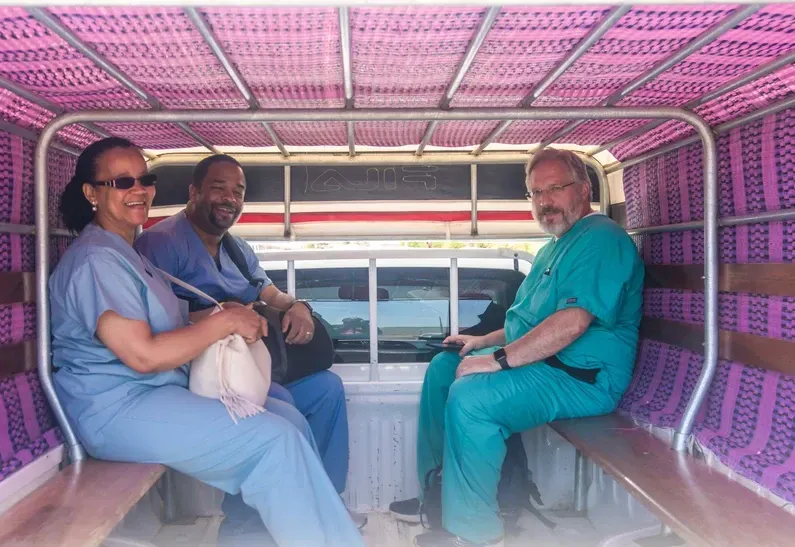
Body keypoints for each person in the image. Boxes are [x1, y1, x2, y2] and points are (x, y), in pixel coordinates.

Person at [48, 137, 364, 547]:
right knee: (275, 442)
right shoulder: (96, 260)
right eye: (122, 182)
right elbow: (143, 354)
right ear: (91, 192)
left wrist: (230, 317)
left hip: (159, 392)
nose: (138, 190)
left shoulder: (127, 253)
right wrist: (226, 321)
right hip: (118, 407)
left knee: (288, 419)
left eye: (145, 179)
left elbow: (175, 320)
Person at [389, 148, 645, 547]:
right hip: (549, 364)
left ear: (584, 188)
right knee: (445, 367)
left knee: (472, 398)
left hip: (581, 377)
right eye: (535, 193)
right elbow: (527, 323)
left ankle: (475, 534)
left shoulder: (600, 239)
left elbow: (571, 323)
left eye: (555, 189)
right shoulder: (553, 247)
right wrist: (482, 343)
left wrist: (497, 361)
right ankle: (437, 498)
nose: (545, 202)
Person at [134, 154, 366, 534]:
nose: (229, 198)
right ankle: (247, 526)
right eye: (218, 188)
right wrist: (222, 318)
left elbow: (271, 294)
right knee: (281, 405)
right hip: (202, 374)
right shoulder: (162, 244)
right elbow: (154, 322)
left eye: (237, 191)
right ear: (194, 192)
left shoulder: (237, 249)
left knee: (327, 388)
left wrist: (298, 306)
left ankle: (324, 499)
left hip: (252, 362)